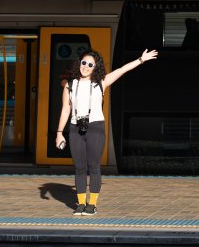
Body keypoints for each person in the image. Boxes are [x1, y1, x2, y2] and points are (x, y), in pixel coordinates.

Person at [56, 48, 158, 216]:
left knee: (94, 166)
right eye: (84, 63)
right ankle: (81, 204)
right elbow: (65, 110)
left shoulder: (101, 82)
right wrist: (59, 133)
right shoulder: (69, 85)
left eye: (90, 64)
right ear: (79, 63)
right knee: (79, 167)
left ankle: (92, 205)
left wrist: (141, 59)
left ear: (95, 67)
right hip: (75, 128)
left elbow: (122, 70)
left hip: (95, 127)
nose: (86, 67)